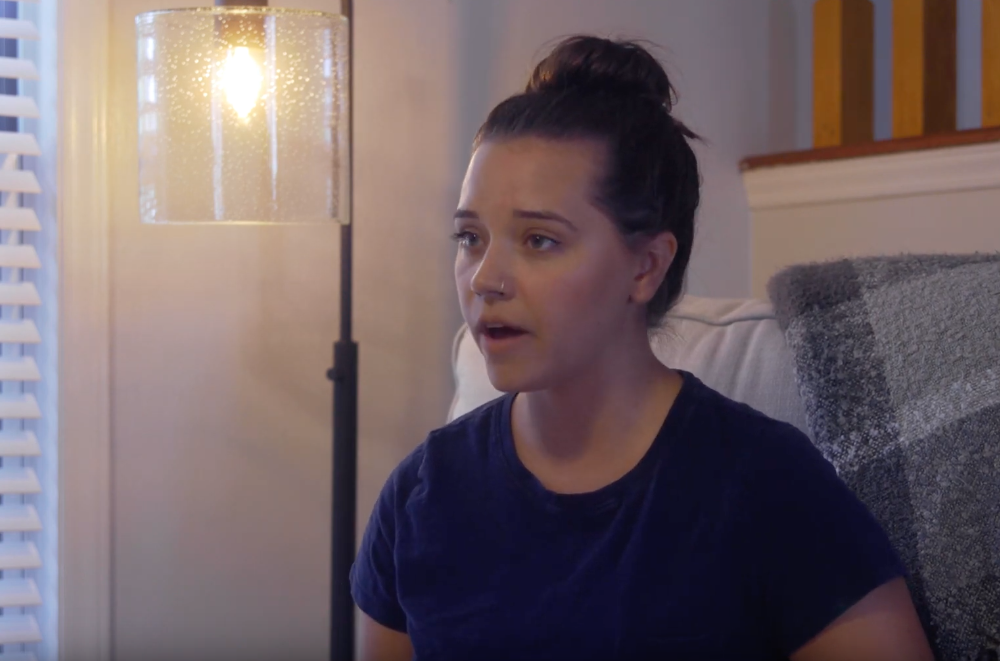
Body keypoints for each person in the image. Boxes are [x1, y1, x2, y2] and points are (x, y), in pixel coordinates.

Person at [350, 35, 934, 661]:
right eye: (470, 238)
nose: (485, 278)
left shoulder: (766, 486)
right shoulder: (422, 494)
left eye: (539, 240)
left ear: (646, 266)